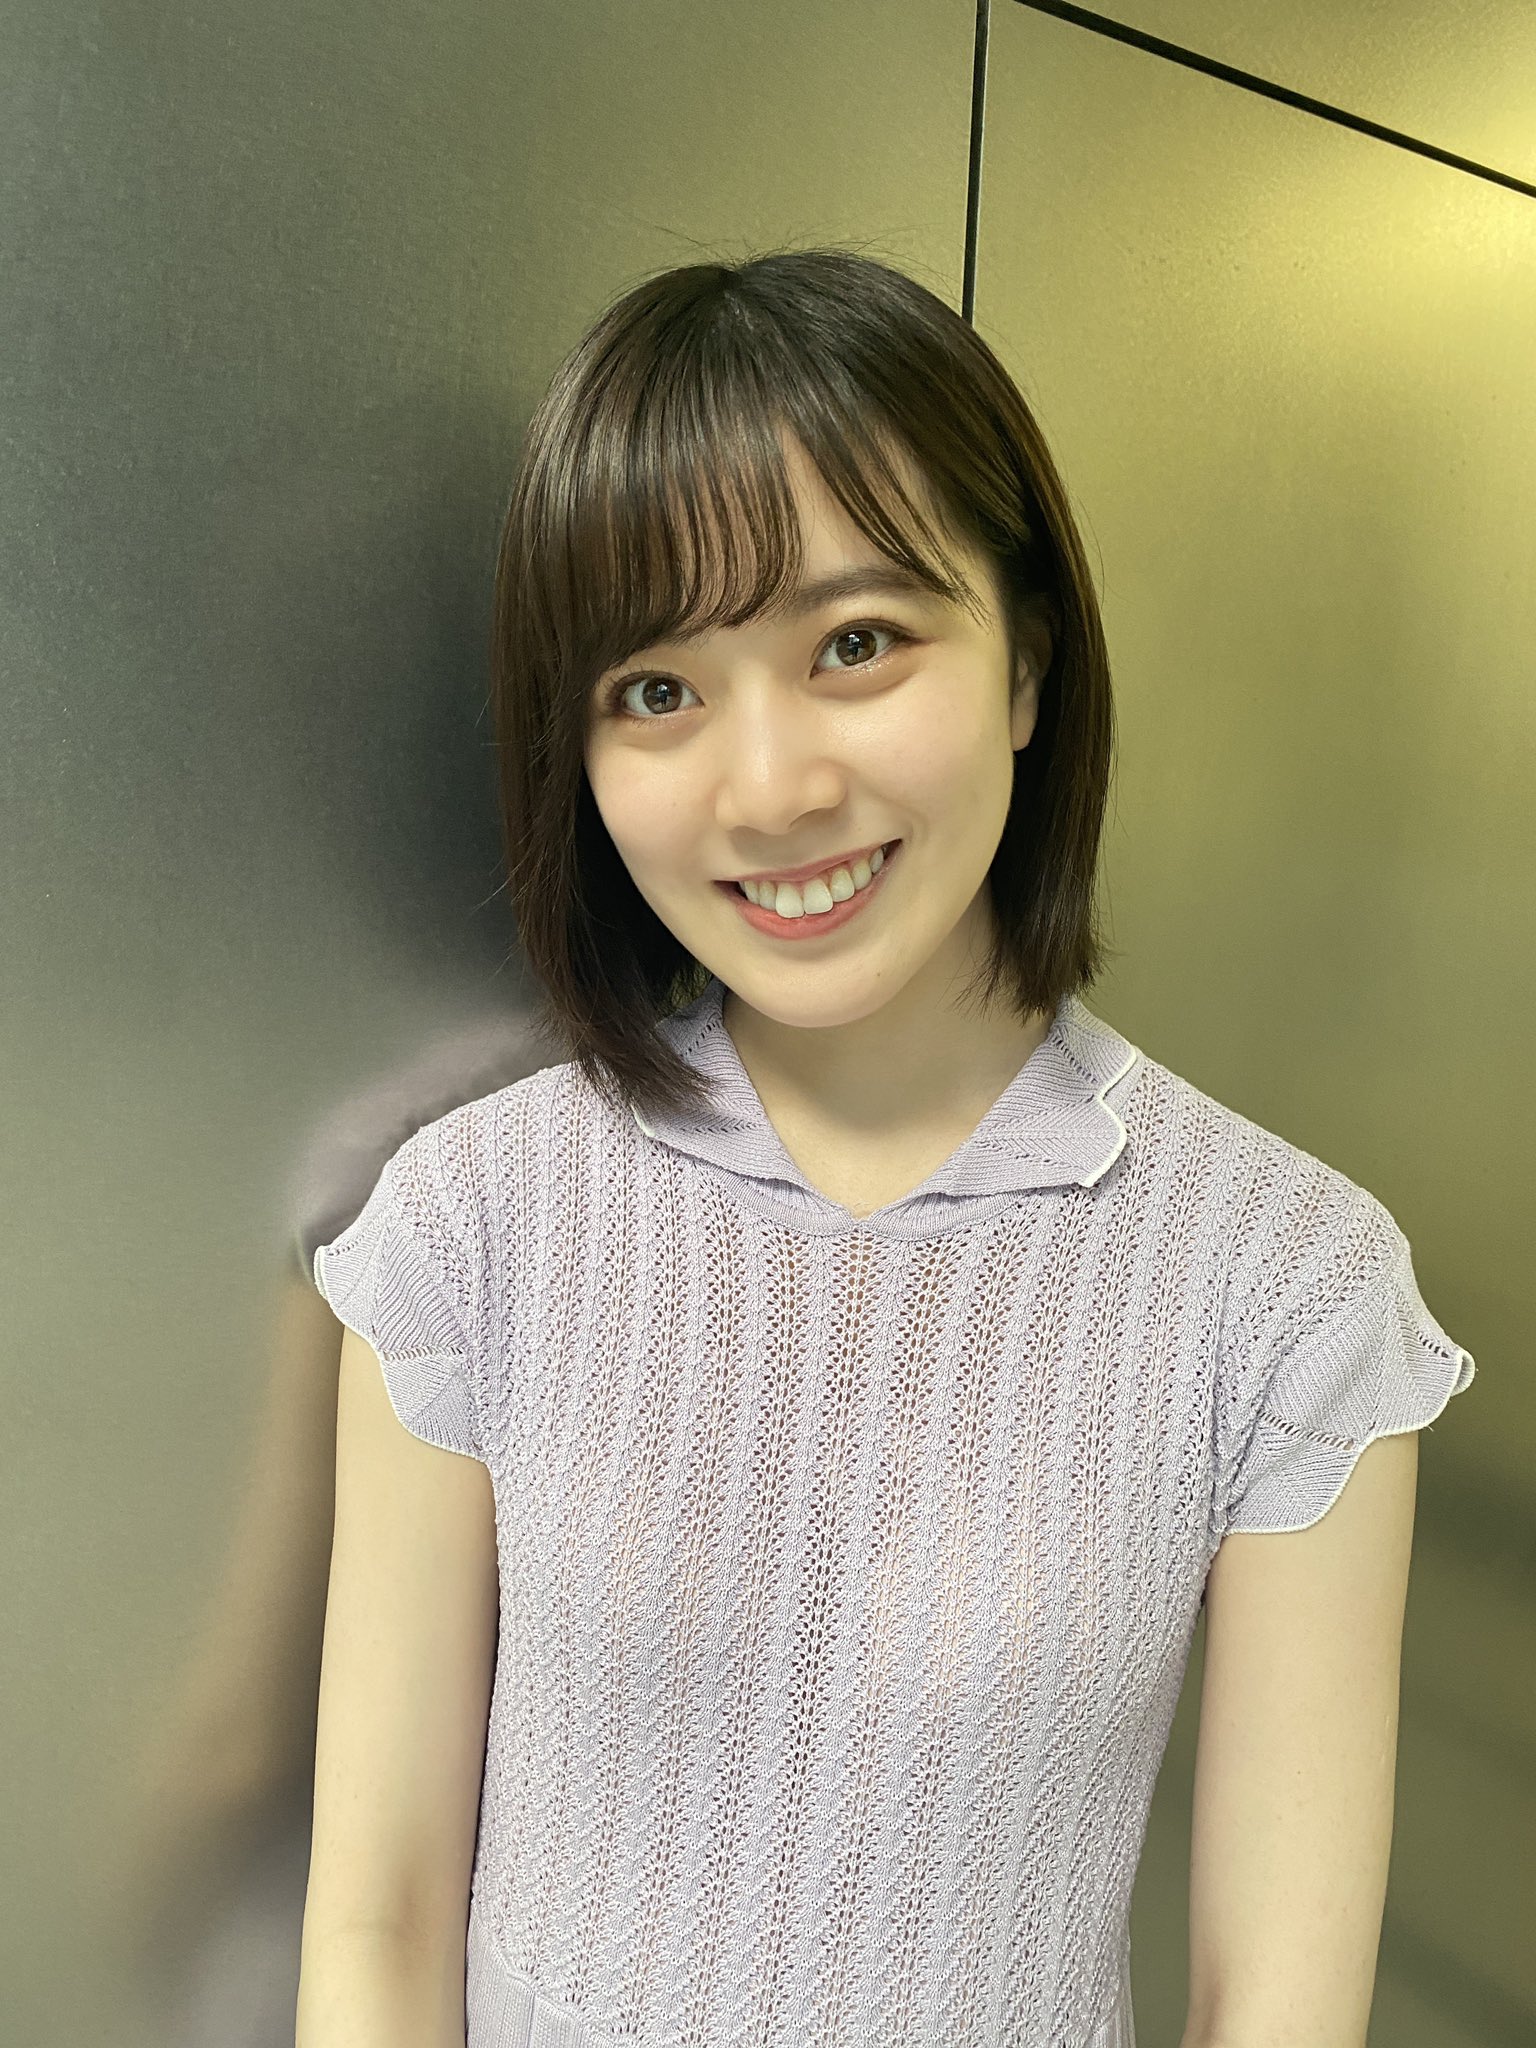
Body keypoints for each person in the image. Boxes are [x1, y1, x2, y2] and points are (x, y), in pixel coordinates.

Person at [294, 247, 1476, 2048]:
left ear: (1027, 667)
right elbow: (377, 1921)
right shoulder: (472, 1222)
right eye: (657, 690)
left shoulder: (1287, 1284)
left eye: (857, 643)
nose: (771, 789)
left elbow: (1277, 2003)